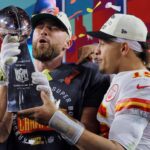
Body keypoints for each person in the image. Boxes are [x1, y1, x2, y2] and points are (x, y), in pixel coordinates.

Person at [19, 13, 150, 150]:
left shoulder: (140, 85)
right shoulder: (125, 78)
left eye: (103, 44)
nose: (96, 50)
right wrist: (56, 112)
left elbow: (118, 149)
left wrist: (55, 119)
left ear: (124, 48)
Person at [0, 6, 110, 150]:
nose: (44, 31)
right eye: (39, 27)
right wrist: (4, 80)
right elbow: (1, 134)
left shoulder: (89, 75)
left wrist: (56, 114)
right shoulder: (10, 72)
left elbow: (90, 140)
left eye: (54, 28)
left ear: (68, 43)